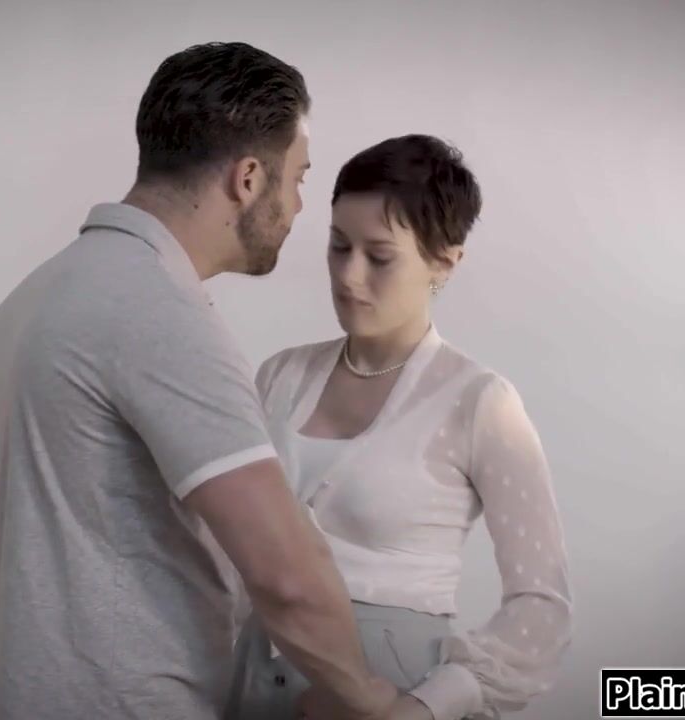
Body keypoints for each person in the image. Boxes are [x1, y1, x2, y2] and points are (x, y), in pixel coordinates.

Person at [0, 42, 407, 720]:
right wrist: (370, 698)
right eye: (298, 178)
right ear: (248, 178)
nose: (298, 206)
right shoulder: (152, 309)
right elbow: (284, 573)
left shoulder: (38, 295)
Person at [226, 135, 573, 720]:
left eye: (380, 257)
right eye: (339, 246)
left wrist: (425, 706)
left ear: (445, 262)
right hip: (255, 683)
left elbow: (543, 605)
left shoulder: (479, 402)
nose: (349, 275)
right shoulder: (280, 377)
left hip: (393, 693)